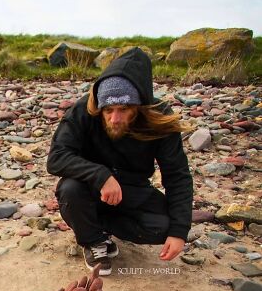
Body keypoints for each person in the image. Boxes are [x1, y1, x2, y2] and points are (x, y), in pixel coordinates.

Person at [45, 46, 194, 276]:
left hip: (132, 188)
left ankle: (99, 226)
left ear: (139, 106)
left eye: (124, 109)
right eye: (108, 110)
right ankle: (93, 240)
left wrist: (179, 232)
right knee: (70, 189)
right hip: (88, 188)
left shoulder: (159, 116)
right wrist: (101, 175)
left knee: (165, 226)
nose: (114, 119)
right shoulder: (84, 110)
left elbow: (177, 176)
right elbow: (56, 158)